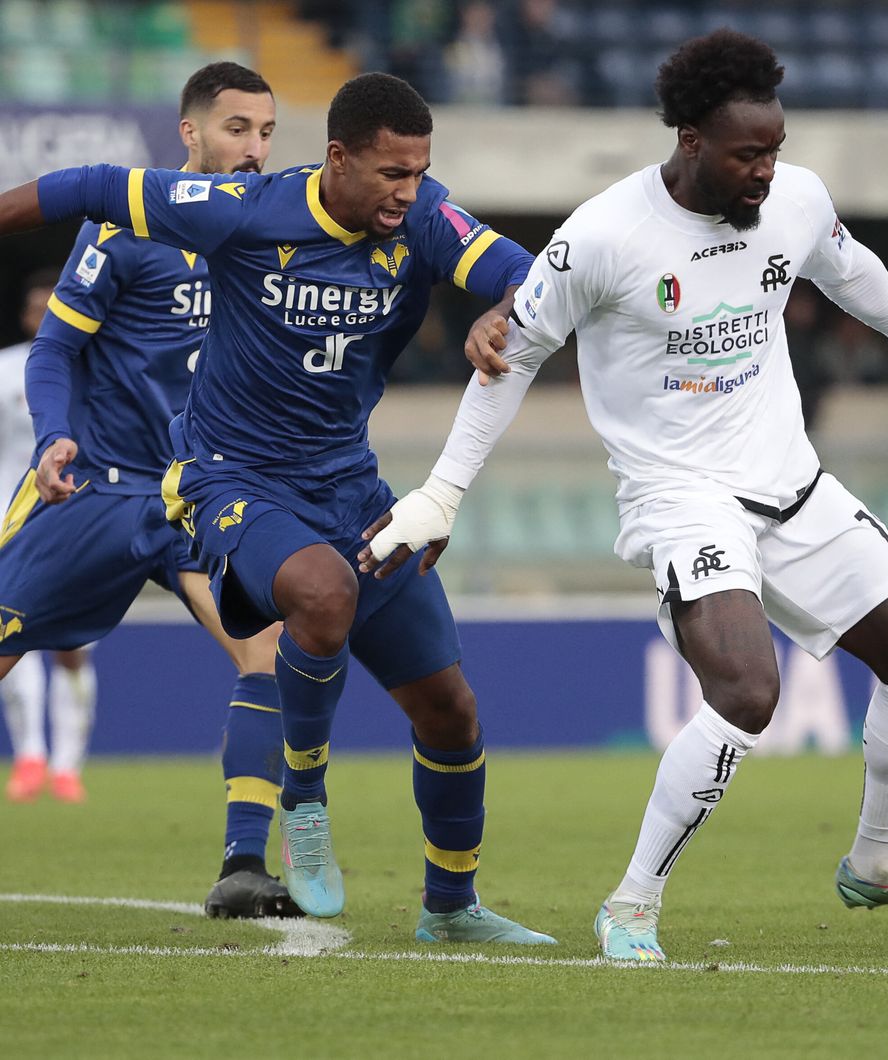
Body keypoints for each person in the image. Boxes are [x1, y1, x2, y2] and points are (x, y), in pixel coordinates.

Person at [363, 29, 888, 962]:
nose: (767, 173)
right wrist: (443, 494)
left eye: (775, 150)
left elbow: (847, 266)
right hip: (680, 496)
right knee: (746, 689)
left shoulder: (796, 200)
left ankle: (881, 862)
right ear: (691, 140)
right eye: (748, 154)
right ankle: (631, 904)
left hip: (792, 480)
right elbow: (511, 359)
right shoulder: (605, 237)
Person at [0, 72, 557, 945]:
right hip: (222, 480)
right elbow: (94, 188)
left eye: (420, 173)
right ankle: (302, 796)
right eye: (391, 174)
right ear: (337, 158)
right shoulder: (240, 211)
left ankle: (450, 905)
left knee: (450, 710)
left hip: (349, 486)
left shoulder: (420, 217)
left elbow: (522, 270)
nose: (408, 194)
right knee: (321, 595)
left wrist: (502, 309)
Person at [0, 66, 300, 919]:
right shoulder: (126, 225)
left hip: (201, 493)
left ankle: (244, 865)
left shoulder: (276, 229)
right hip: (96, 486)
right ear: (191, 134)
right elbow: (54, 351)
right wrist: (54, 431)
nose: (255, 149)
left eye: (268, 131)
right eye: (237, 129)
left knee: (265, 649)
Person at [0, 270, 93, 805]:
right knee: (14, 632)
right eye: (38, 308)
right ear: (26, 315)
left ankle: (68, 765)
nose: (45, 316)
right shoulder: (10, 369)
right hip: (17, 519)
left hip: (82, 520)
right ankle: (30, 755)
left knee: (73, 650)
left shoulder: (100, 360)